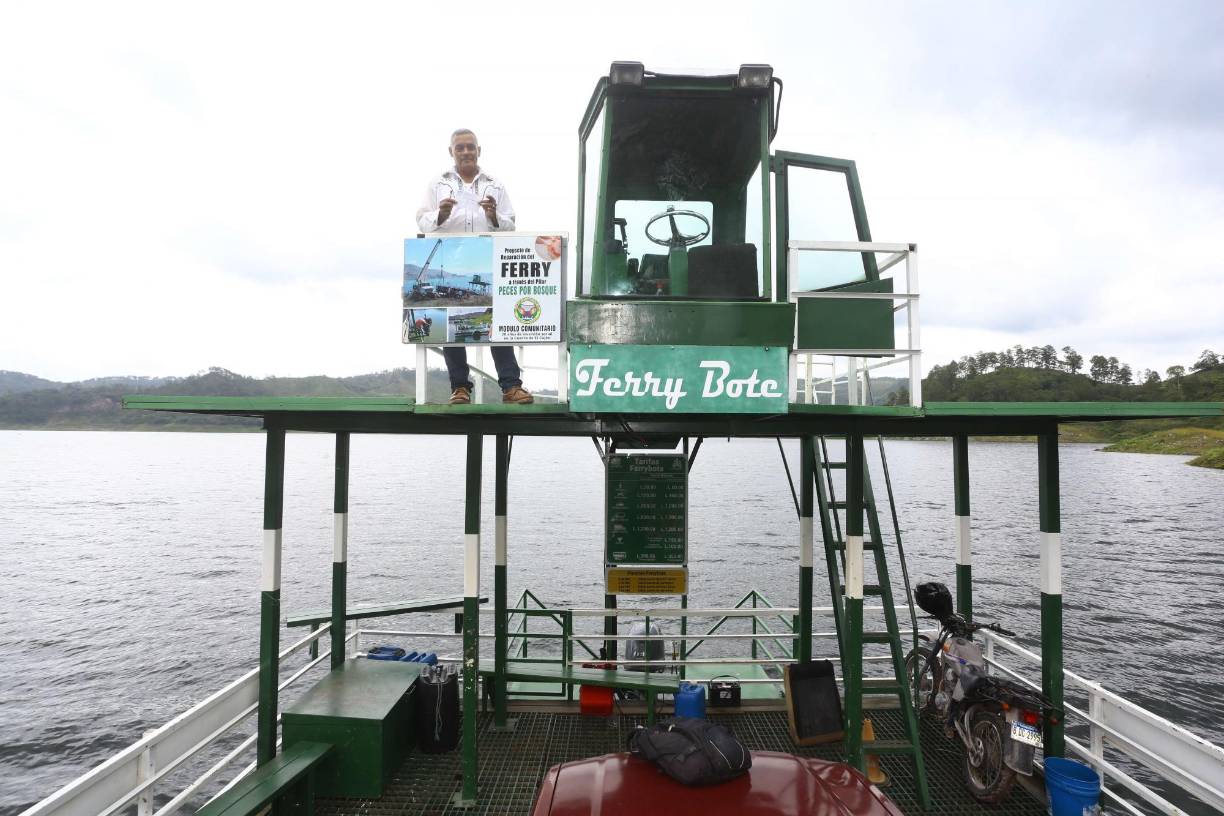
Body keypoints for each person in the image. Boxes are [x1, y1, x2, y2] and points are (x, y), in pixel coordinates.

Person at [416, 129, 533, 405]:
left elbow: (511, 223)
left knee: (498, 321)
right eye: (460, 148)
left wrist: (493, 216)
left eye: (470, 147)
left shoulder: (495, 185)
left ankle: (511, 386)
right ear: (451, 152)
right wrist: (440, 215)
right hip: (454, 259)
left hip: (488, 260)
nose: (466, 151)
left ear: (479, 150)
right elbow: (421, 220)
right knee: (450, 329)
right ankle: (460, 388)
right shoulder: (437, 184)